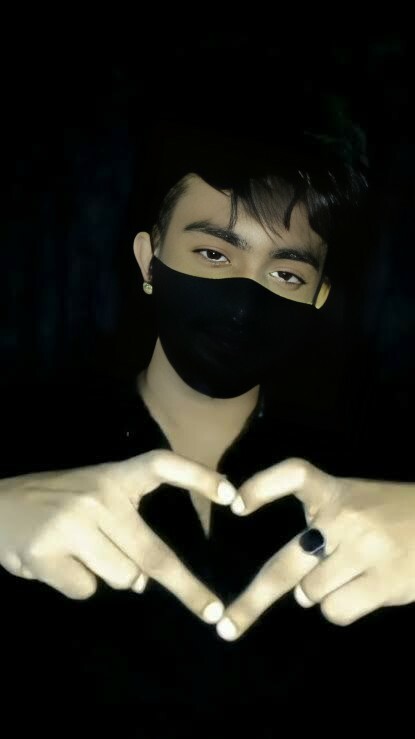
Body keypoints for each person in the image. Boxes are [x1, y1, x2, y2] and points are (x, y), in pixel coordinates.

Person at [0, 122, 414, 722]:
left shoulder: (371, 467)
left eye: (287, 274)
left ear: (318, 297)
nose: (243, 302)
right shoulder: (23, 439)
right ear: (149, 260)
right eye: (215, 253)